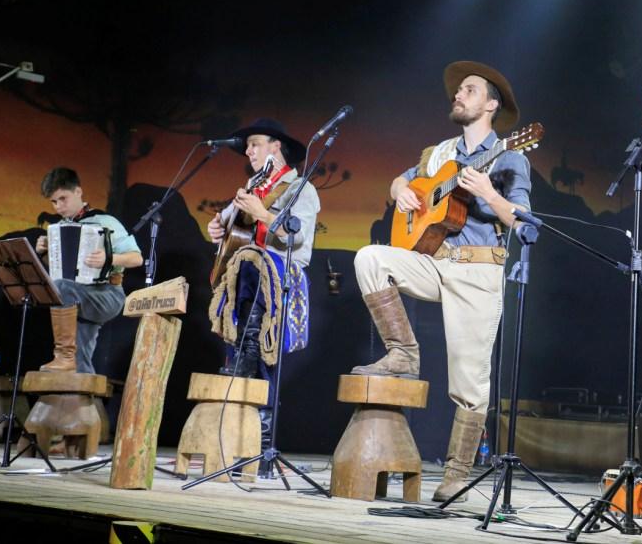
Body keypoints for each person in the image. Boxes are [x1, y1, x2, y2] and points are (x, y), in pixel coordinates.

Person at [351, 61, 531, 502]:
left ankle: (457, 475)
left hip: (477, 271)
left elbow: (525, 222)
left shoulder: (511, 156)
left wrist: (489, 194)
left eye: (469, 90)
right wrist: (399, 190)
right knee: (370, 258)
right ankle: (402, 352)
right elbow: (403, 180)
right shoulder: (439, 153)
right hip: (433, 262)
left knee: (469, 384)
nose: (458, 95)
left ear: (491, 105)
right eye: (458, 90)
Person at [207, 118, 319, 476]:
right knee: (245, 263)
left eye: (255, 143)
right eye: (247, 146)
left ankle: (261, 447)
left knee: (259, 354)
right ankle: (237, 436)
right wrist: (217, 227)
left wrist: (262, 214)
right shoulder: (253, 187)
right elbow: (227, 226)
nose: (249, 151)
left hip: (282, 275)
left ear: (276, 146)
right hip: (248, 279)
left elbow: (296, 239)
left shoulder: (299, 188)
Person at [35, 168, 143, 374]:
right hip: (77, 295)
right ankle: (78, 379)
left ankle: (63, 356)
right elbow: (59, 271)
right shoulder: (60, 227)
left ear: (78, 192)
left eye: (63, 199)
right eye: (54, 202)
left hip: (107, 293)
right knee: (80, 361)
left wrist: (108, 258)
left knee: (61, 287)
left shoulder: (105, 221)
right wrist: (44, 253)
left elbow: (136, 258)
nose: (58, 207)